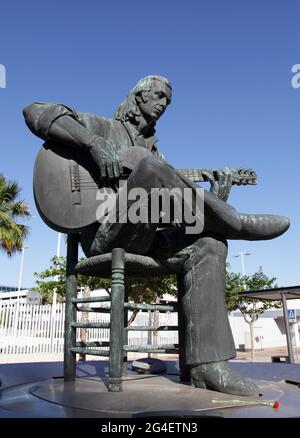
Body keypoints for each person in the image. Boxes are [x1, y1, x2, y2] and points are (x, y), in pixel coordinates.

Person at [23, 75, 289, 396]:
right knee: (149, 167)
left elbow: (176, 218)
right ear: (138, 97)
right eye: (159, 96)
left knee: (209, 243)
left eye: (168, 101)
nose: (163, 104)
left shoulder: (158, 158)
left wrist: (217, 196)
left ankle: (209, 367)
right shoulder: (103, 129)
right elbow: (35, 112)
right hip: (105, 237)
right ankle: (233, 221)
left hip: (146, 238)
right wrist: (93, 144)